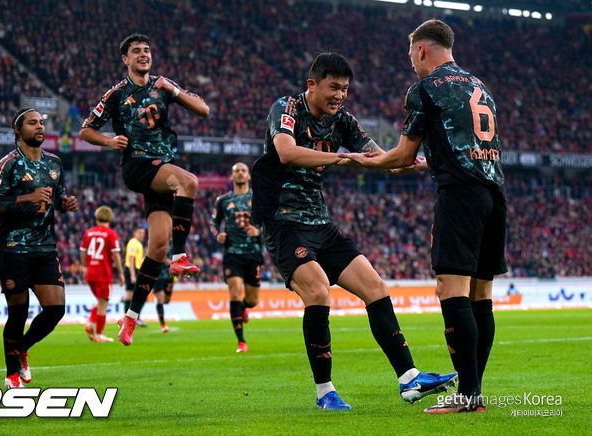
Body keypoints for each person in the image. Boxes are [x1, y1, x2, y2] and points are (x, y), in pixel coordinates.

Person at [251, 53, 456, 411]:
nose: (340, 96)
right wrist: (345, 158)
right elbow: (286, 152)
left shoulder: (343, 121)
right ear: (312, 84)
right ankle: (324, 392)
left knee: (376, 287)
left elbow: (379, 158)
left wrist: (419, 162)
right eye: (334, 87)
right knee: (318, 290)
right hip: (284, 222)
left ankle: (409, 378)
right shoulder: (287, 108)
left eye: (345, 89)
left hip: (320, 222)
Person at [341, 20, 506, 413]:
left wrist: (363, 160)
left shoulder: (425, 88)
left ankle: (467, 396)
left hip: (459, 196)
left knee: (452, 290)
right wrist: (428, 162)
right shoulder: (479, 85)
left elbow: (400, 154)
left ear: (421, 50)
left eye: (411, 55)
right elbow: (465, 144)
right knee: (481, 295)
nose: (412, 63)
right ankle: (474, 392)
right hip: (495, 195)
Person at [79, 33, 210, 345]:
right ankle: (181, 256)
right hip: (137, 165)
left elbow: (203, 110)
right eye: (136, 51)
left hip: (162, 168)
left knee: (157, 247)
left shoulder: (163, 85)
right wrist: (109, 141)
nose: (143, 54)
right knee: (189, 182)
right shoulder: (116, 94)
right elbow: (85, 130)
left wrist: (174, 91)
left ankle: (130, 317)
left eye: (147, 50)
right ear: (125, 59)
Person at [0, 107, 78, 389]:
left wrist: (65, 204)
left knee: (56, 309)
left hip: (45, 247)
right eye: (32, 123)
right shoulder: (8, 164)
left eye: (41, 123)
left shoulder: (54, 163)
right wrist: (27, 197)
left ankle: (22, 348)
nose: (39, 127)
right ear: (18, 130)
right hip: (14, 248)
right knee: (18, 313)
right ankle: (12, 375)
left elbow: (57, 197)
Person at [210, 162, 263, 353]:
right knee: (234, 292)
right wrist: (218, 235)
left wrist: (259, 231)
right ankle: (241, 341)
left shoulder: (258, 198)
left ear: (248, 176)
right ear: (232, 177)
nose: (240, 173)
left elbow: (269, 222)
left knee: (252, 300)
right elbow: (213, 223)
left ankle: (243, 308)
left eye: (243, 171)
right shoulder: (223, 200)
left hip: (253, 253)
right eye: (236, 171)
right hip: (232, 253)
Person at [80, 206, 124, 343]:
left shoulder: (88, 233)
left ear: (96, 218)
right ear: (110, 218)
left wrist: (84, 267)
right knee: (103, 304)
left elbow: (83, 251)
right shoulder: (111, 234)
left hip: (90, 273)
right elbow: (115, 254)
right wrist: (121, 272)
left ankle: (91, 324)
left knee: (100, 302)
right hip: (103, 273)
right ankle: (97, 333)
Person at [123, 227, 148, 327]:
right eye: (140, 232)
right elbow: (131, 258)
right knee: (131, 295)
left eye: (143, 233)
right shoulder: (133, 242)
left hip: (137, 270)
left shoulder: (139, 244)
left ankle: (134, 318)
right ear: (135, 233)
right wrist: (133, 275)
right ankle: (128, 319)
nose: (142, 235)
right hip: (131, 270)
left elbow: (138, 259)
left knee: (140, 294)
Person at [151, 258, 177, 333]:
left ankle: (159, 298)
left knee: (167, 301)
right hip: (157, 276)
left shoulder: (172, 250)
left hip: (169, 277)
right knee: (160, 300)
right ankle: (163, 325)